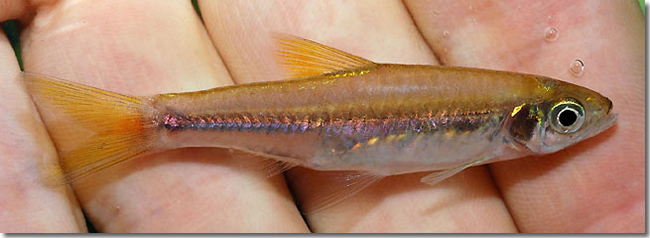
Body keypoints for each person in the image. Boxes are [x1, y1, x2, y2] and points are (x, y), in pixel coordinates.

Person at [0, 0, 644, 233]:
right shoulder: (496, 117)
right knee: (162, 119)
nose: (573, 126)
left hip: (335, 141)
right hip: (330, 136)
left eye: (565, 118)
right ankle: (151, 125)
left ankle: (155, 125)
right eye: (564, 117)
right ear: (521, 120)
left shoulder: (497, 117)